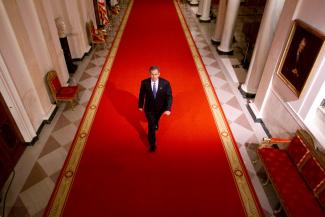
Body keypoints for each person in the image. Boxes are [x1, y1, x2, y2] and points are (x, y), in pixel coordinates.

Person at [138, 66, 173, 152]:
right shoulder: (144, 83)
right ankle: (152, 144)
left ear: (159, 74)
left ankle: (156, 123)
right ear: (149, 74)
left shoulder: (165, 83)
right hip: (149, 109)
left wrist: (168, 108)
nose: (154, 77)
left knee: (157, 120)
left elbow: (169, 96)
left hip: (161, 108)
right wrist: (140, 105)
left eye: (156, 74)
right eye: (152, 74)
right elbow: (141, 95)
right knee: (151, 126)